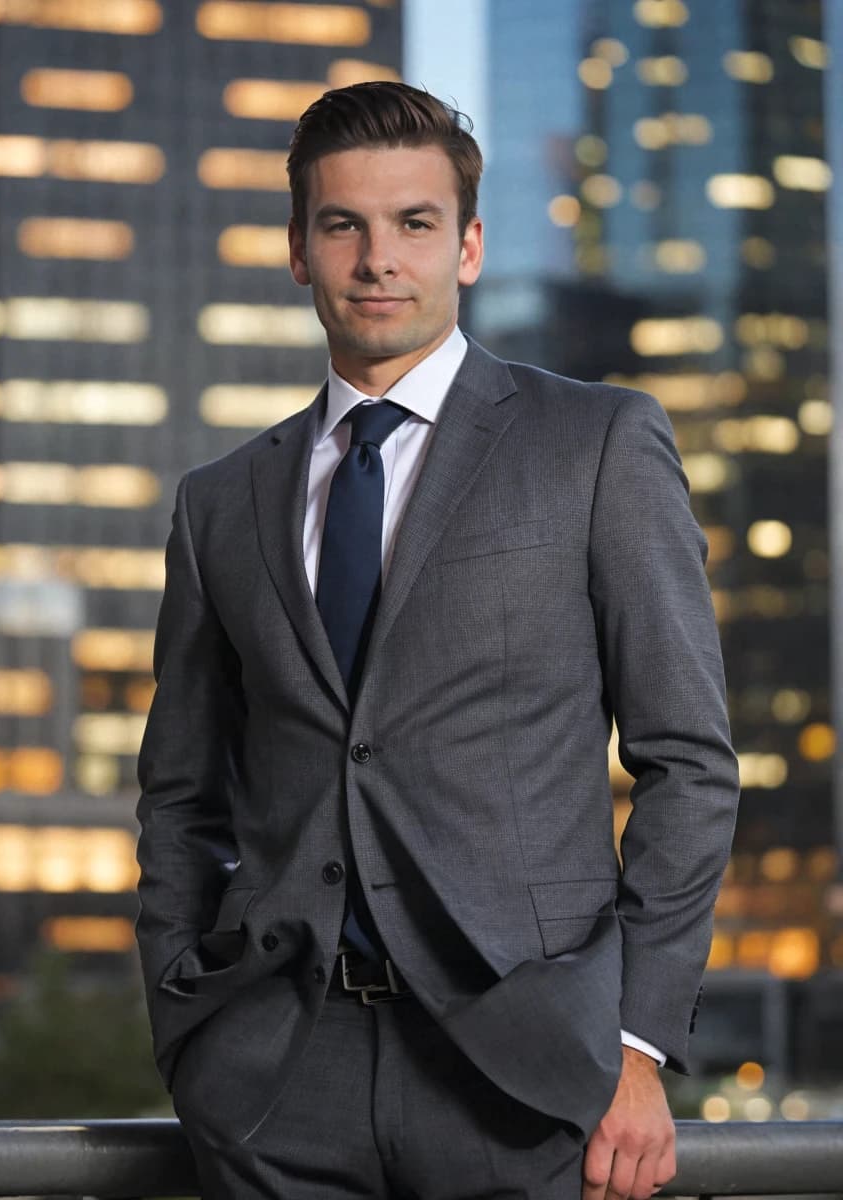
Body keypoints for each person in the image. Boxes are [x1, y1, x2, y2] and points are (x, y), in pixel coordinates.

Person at [135, 81, 739, 1200]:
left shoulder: (594, 443)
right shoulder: (218, 502)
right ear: (297, 252)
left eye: (413, 224)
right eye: (342, 226)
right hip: (276, 1079)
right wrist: (188, 1020)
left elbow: (689, 764)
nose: (378, 259)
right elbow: (180, 795)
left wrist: (636, 1045)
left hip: (524, 1074)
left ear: (464, 247)